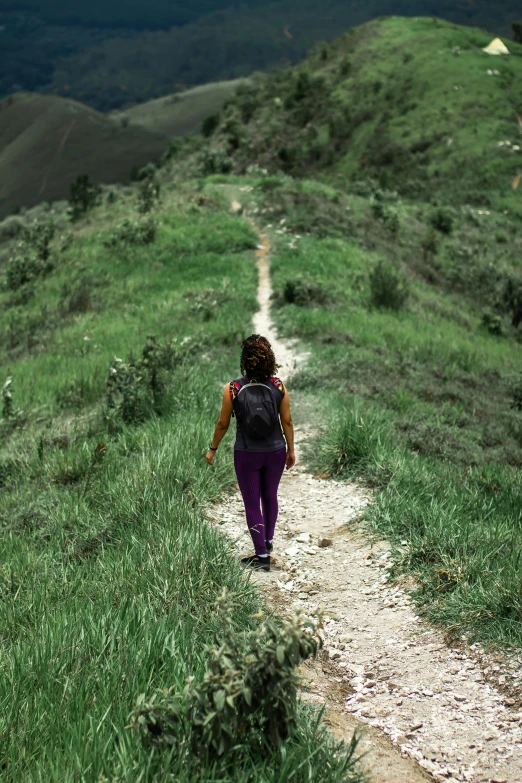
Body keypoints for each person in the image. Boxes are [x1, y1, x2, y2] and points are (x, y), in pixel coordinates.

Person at [206, 334, 295, 572]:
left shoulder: (233, 388)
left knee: (252, 502)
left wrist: (212, 450)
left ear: (244, 360)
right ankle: (267, 540)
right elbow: (286, 420)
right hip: (276, 451)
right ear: (270, 359)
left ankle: (261, 555)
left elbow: (222, 424)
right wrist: (291, 450)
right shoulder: (278, 386)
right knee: (270, 496)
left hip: (246, 454)